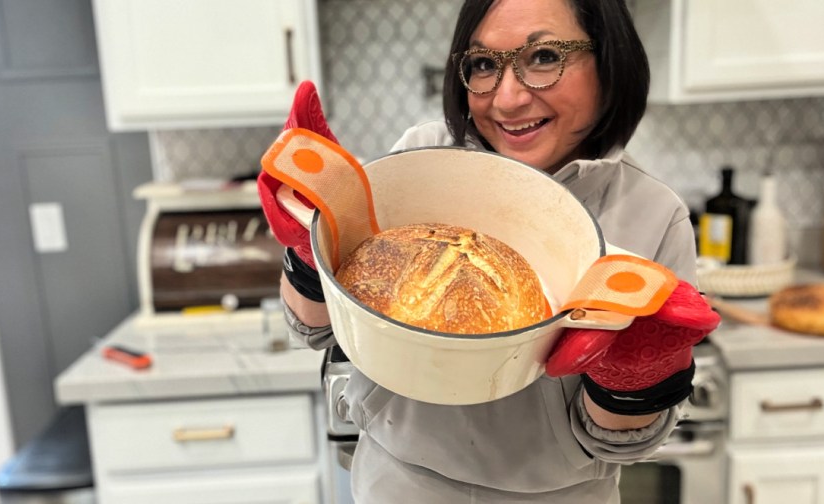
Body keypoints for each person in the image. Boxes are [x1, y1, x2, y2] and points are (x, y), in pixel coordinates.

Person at [258, 0, 720, 502]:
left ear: (610, 60)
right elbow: (315, 327)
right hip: (399, 484)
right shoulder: (423, 159)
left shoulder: (650, 213)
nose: (508, 98)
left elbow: (621, 441)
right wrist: (313, 243)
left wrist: (634, 379)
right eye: (482, 65)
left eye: (544, 57)